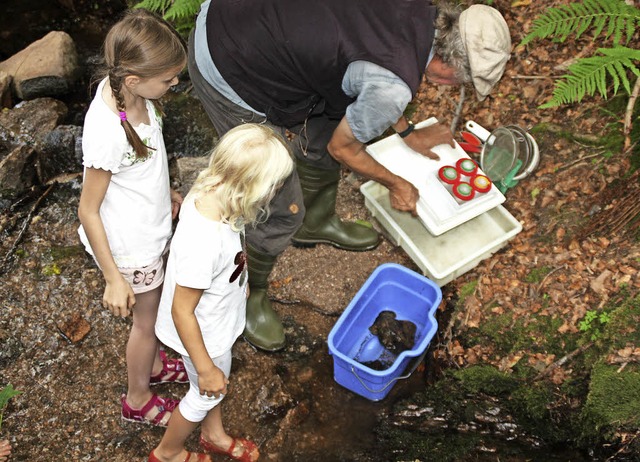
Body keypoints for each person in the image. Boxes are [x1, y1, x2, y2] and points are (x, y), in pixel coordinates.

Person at [188, 0, 512, 351]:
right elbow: (348, 144)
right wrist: (397, 183)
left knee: (330, 126)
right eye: (461, 81)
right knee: (274, 196)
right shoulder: (394, 84)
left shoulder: (420, 14)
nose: (452, 87)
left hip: (252, 17)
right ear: (447, 64)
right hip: (227, 59)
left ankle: (315, 223)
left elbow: (372, 74)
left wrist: (406, 131)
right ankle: (250, 294)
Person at [150, 124, 293, 462]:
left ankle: (213, 434)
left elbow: (228, 251)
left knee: (211, 389)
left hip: (213, 318)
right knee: (206, 391)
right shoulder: (205, 242)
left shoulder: (211, 189)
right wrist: (206, 365)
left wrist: (238, 283)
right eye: (273, 185)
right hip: (203, 335)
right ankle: (167, 452)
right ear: (251, 187)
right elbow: (182, 311)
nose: (276, 191)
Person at [77, 9, 189, 427]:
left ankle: (156, 368)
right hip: (130, 248)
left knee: (153, 315)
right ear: (133, 80)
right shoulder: (108, 132)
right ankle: (138, 398)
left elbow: (144, 161)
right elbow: (88, 209)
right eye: (168, 79)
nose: (175, 84)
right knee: (147, 321)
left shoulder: (134, 94)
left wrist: (165, 191)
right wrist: (113, 278)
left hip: (146, 222)